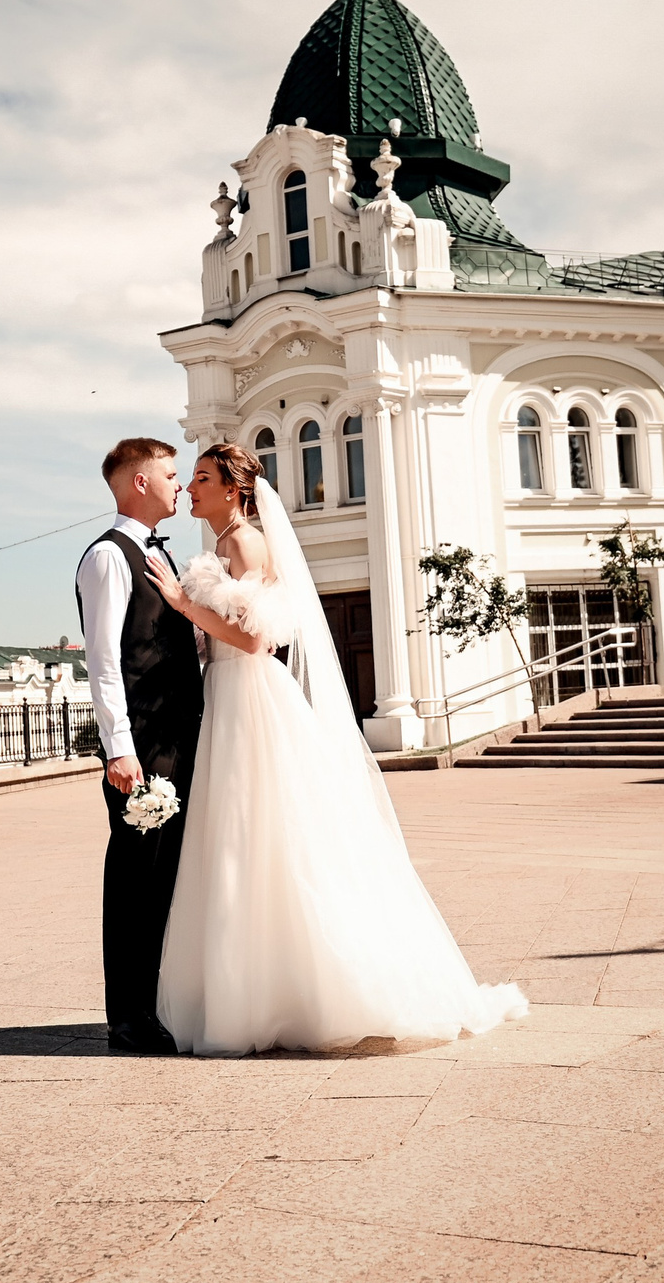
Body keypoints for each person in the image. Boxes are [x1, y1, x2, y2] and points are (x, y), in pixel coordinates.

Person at [144, 443, 528, 1055]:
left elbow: (254, 639)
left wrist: (185, 604)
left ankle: (308, 990)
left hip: (250, 698)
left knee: (269, 831)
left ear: (233, 489)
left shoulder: (244, 542)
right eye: (190, 479)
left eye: (202, 479)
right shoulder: (222, 545)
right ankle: (249, 986)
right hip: (225, 697)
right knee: (238, 837)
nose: (191, 489)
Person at [73, 437, 205, 1055]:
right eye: (172, 475)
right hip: (143, 745)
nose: (180, 485)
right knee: (135, 880)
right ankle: (127, 1020)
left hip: (177, 736)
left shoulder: (159, 555)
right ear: (140, 483)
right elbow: (102, 662)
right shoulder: (108, 557)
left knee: (165, 878)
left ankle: (153, 1007)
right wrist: (119, 750)